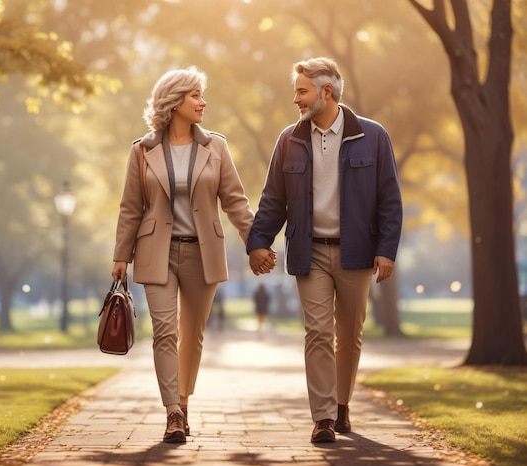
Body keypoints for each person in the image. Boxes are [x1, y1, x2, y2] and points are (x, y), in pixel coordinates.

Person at [111, 67, 274, 444]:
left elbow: (235, 201)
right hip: (156, 252)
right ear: (174, 101)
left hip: (203, 253)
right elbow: (130, 207)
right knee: (164, 333)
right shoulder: (142, 150)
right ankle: (172, 413)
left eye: (202, 95)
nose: (203, 102)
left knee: (192, 335)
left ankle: (183, 403)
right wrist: (121, 253)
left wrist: (256, 243)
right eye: (195, 95)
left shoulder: (215, 146)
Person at [247, 57, 402, 443]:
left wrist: (386, 249)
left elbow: (390, 200)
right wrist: (258, 242)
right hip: (309, 252)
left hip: (358, 253)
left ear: (325, 92)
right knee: (317, 332)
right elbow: (273, 200)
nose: (296, 99)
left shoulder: (373, 136)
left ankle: (342, 405)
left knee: (349, 334)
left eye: (301, 91)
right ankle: (324, 417)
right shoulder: (290, 139)